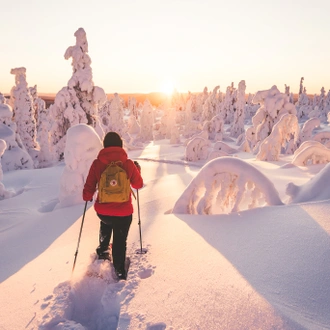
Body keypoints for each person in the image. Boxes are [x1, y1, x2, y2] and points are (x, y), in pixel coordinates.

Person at [83, 131, 143, 280]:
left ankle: (103, 250)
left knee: (106, 223)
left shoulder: (97, 163)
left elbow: (88, 188)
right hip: (123, 212)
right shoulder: (127, 163)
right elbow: (138, 184)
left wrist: (87, 196)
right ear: (120, 146)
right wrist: (137, 170)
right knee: (120, 240)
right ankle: (120, 270)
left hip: (103, 211)